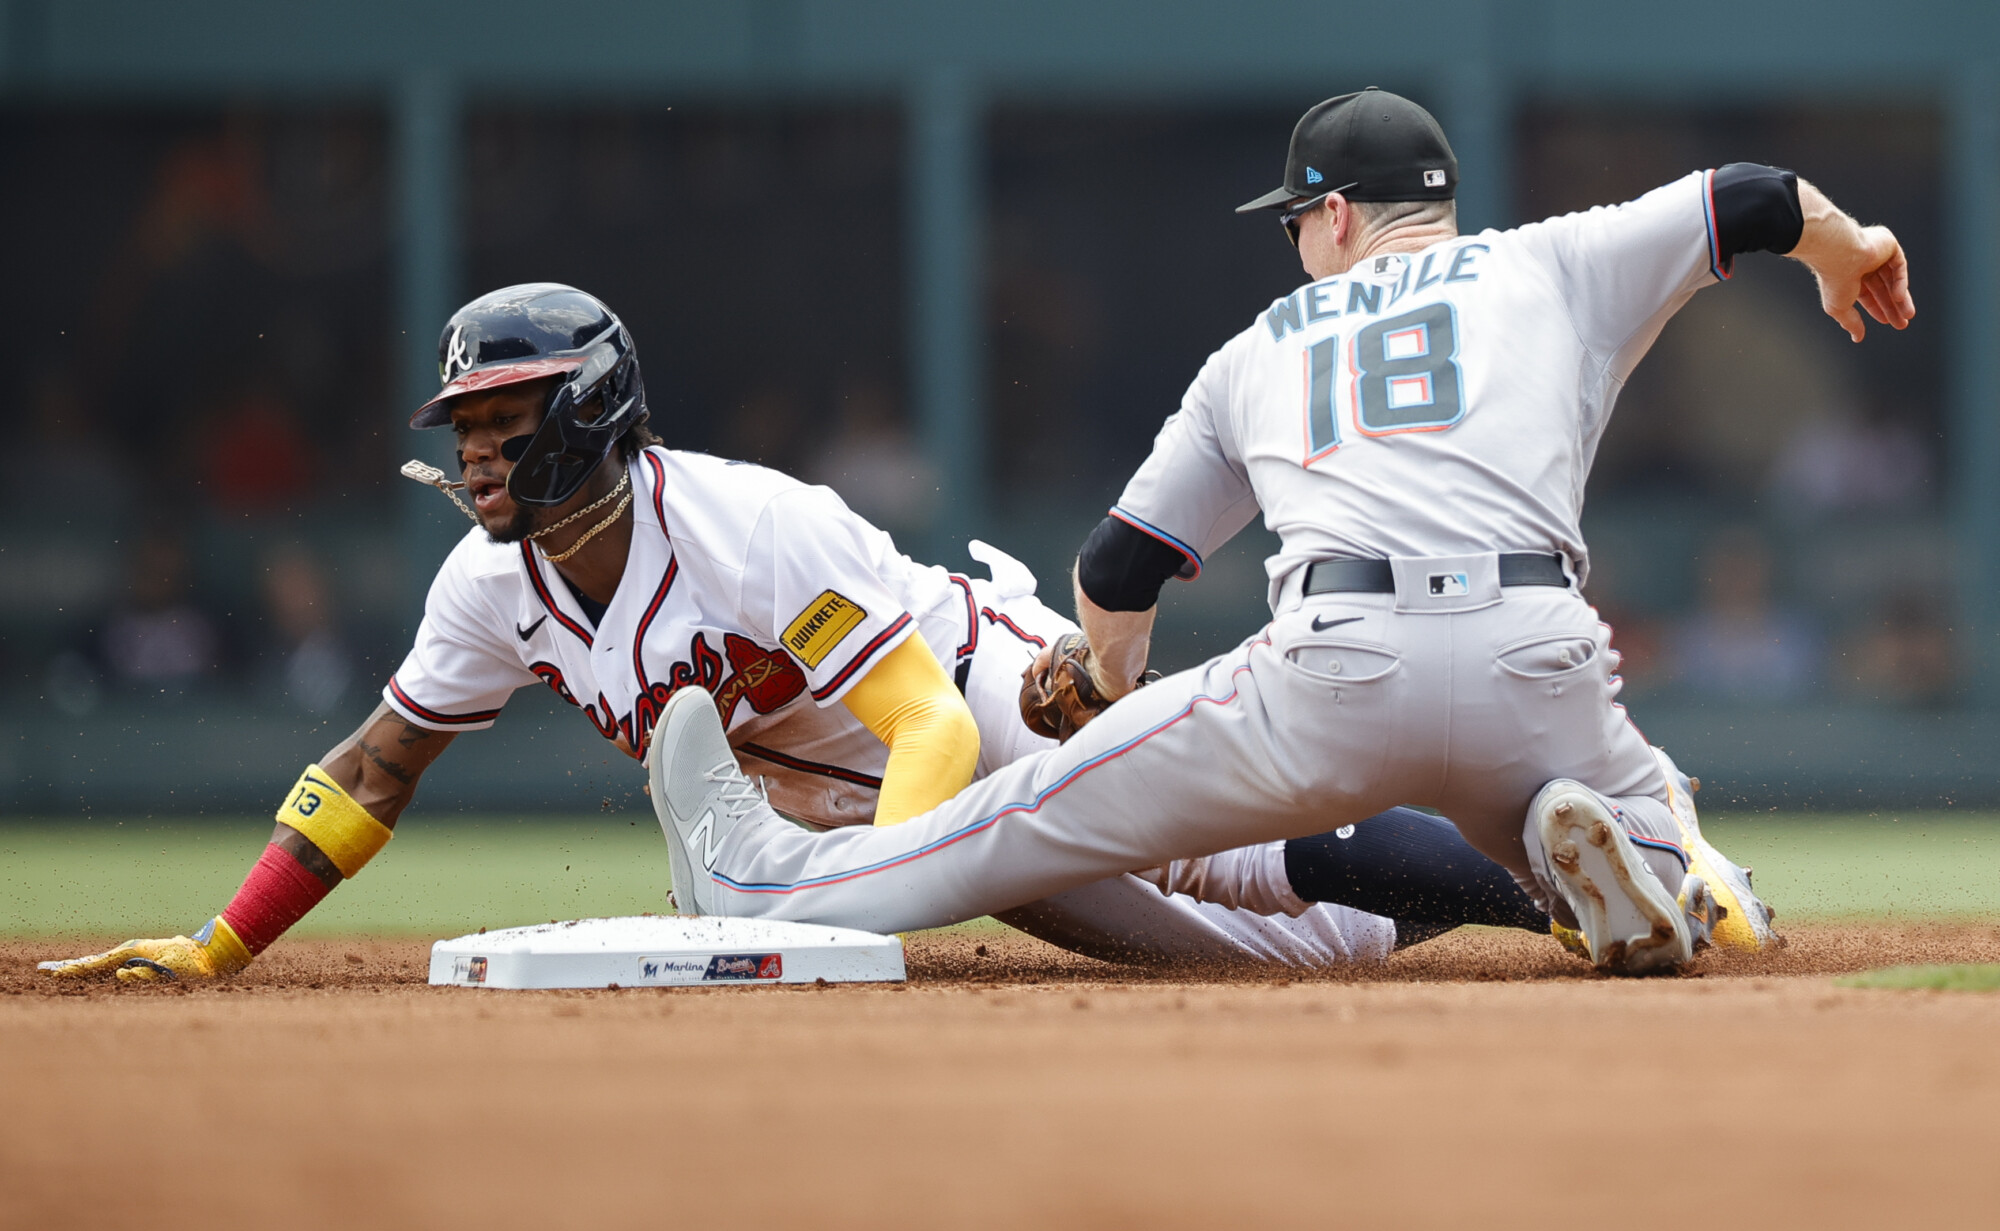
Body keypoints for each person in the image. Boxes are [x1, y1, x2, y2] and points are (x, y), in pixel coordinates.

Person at [45, 282, 1651, 986]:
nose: (470, 451)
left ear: (590, 414)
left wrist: (859, 911)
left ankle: (1582, 900)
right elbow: (377, 763)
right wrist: (222, 938)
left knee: (1231, 848)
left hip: (982, 693)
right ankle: (1568, 893)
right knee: (1213, 953)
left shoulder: (746, 523)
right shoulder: (491, 585)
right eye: (460, 423)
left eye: (501, 419)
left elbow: (926, 721)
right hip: (825, 803)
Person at [643, 87, 1898, 974]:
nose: (1293, 242)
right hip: (1540, 655)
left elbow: (1117, 565)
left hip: (1333, 674)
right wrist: (1848, 251)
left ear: (1340, 214)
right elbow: (1746, 199)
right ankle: (1659, 866)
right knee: (1636, 788)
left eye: (1295, 218)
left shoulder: (1257, 348)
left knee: (1010, 821)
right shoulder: (1549, 264)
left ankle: (771, 882)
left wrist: (1103, 680)